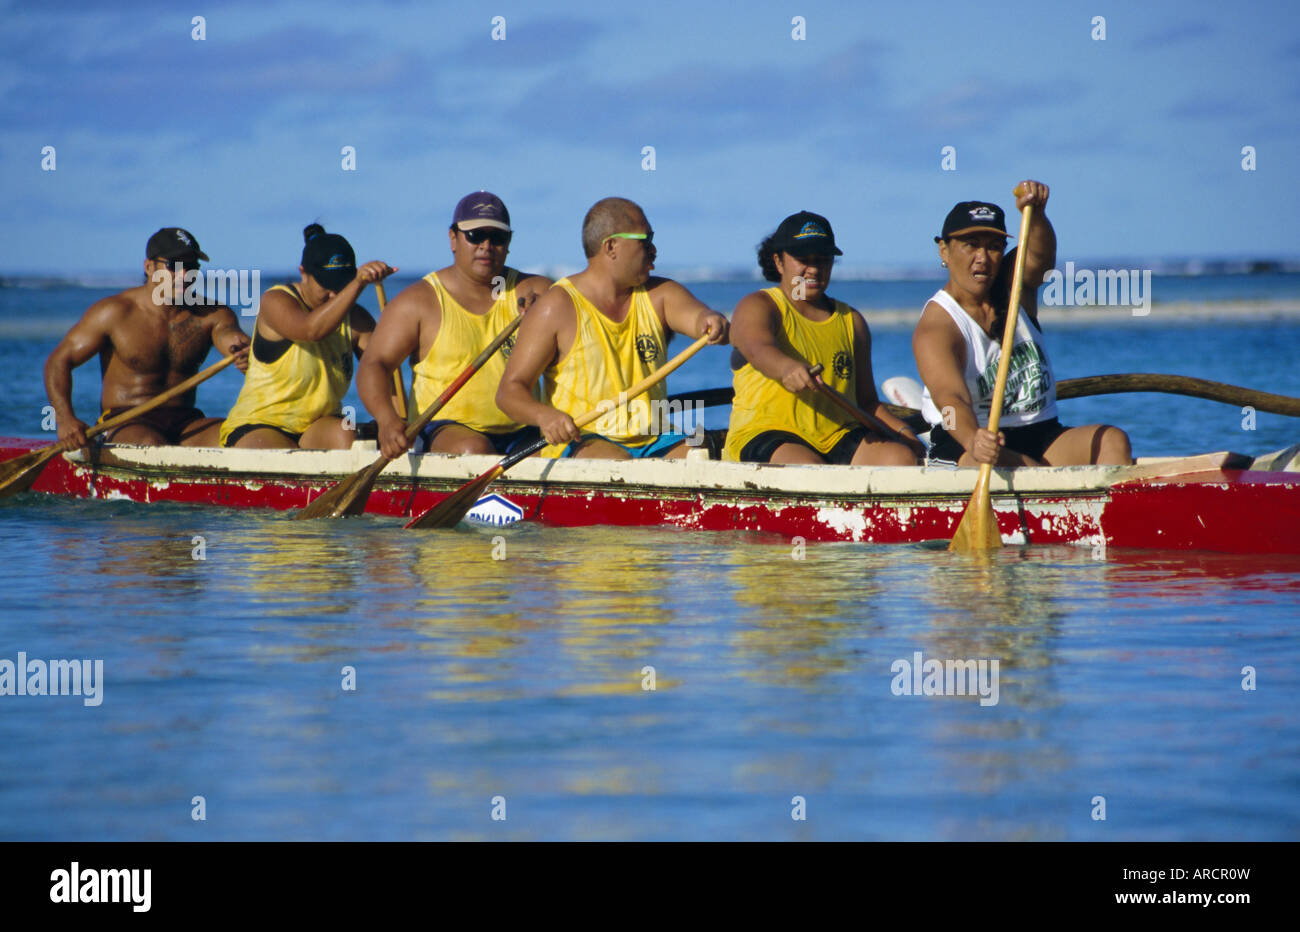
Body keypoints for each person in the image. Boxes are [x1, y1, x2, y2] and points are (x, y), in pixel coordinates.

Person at [912, 182, 1132, 467]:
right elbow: (949, 400)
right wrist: (972, 440)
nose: (982, 258)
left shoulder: (1015, 286)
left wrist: (1037, 214)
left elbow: (1040, 260)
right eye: (971, 245)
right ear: (944, 250)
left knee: (1111, 440)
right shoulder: (938, 325)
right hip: (970, 442)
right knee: (992, 464)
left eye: (993, 247)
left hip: (1039, 432)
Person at [496, 197, 728, 459]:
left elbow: (698, 318)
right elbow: (509, 391)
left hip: (655, 436)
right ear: (611, 246)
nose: (654, 250)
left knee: (700, 453)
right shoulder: (556, 307)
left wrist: (710, 320)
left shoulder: (661, 295)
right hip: (582, 439)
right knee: (620, 463)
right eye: (645, 240)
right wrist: (545, 416)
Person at [358, 192, 552, 459]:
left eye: (496, 237)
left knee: (554, 452)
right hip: (445, 431)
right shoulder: (418, 301)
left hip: (523, 431)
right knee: (474, 450)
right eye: (475, 236)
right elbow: (374, 365)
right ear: (453, 238)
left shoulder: (539, 292)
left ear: (509, 243)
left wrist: (548, 310)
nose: (486, 245)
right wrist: (387, 420)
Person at [724, 212, 921, 465]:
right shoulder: (758, 305)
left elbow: (867, 403)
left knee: (901, 459)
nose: (814, 269)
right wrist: (786, 368)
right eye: (803, 259)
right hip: (765, 432)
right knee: (809, 468)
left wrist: (905, 434)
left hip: (838, 433)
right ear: (779, 261)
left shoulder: (853, 322)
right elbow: (757, 348)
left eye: (823, 259)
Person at [44, 227, 250, 450]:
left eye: (191, 267)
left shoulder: (212, 314)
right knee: (152, 444)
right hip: (125, 421)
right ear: (149, 267)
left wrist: (244, 353)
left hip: (186, 422)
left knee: (238, 437)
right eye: (174, 266)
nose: (184, 275)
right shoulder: (114, 312)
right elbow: (58, 362)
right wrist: (65, 420)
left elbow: (230, 337)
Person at [219, 224, 395, 449]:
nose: (333, 294)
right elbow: (311, 331)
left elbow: (384, 373)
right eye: (326, 285)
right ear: (303, 272)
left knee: (349, 435)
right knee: (282, 456)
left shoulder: (357, 320)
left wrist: (395, 423)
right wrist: (359, 283)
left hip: (319, 425)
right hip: (261, 424)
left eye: (341, 286)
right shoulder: (275, 301)